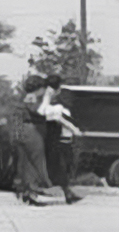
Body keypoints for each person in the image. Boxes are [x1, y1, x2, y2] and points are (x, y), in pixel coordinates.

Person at [40, 75, 83, 204]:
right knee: (61, 166)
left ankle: (67, 192)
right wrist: (73, 128)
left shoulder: (54, 105)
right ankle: (67, 193)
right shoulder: (48, 104)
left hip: (57, 139)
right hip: (56, 141)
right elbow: (51, 115)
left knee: (63, 166)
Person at [14, 75, 55, 206]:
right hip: (32, 131)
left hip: (25, 130)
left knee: (27, 162)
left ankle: (26, 192)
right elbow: (40, 111)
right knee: (35, 161)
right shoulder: (32, 97)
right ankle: (31, 192)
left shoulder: (27, 97)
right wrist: (48, 97)